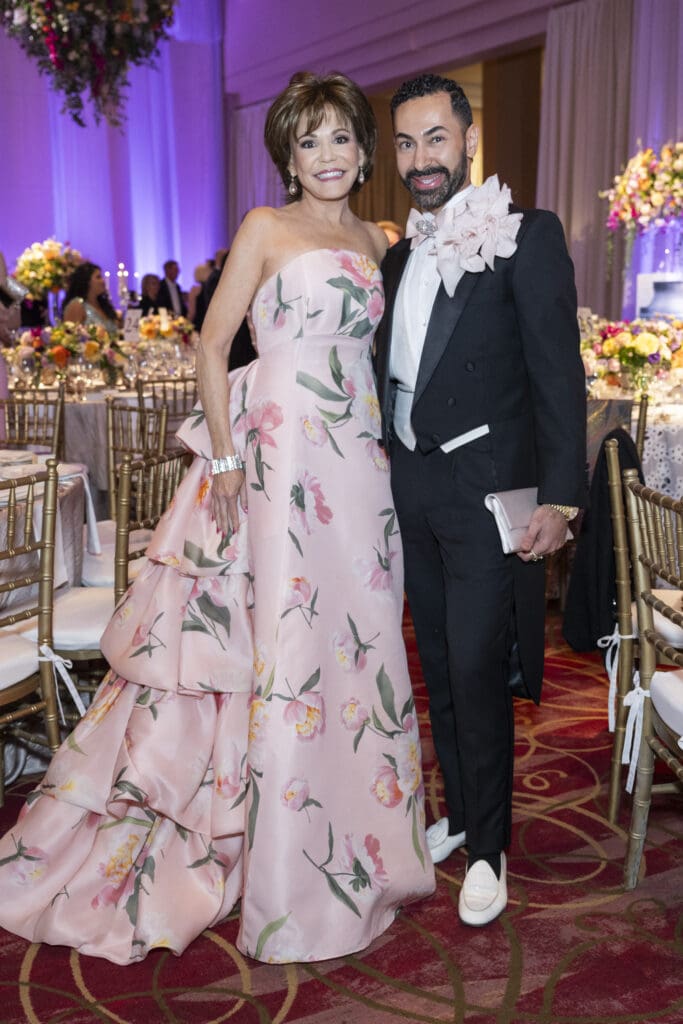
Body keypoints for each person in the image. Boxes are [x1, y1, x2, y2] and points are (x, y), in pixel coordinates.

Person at [0, 70, 435, 965]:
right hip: (279, 458)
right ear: (287, 154)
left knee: (360, 647)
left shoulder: (379, 238)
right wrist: (229, 457)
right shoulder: (265, 229)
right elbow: (209, 340)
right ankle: (284, 872)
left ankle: (365, 849)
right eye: (307, 140)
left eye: (340, 138)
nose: (326, 155)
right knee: (287, 644)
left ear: (364, 149)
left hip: (359, 463)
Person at [374, 73, 587, 927]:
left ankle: (490, 852)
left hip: (485, 494)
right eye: (405, 142)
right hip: (411, 489)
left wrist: (562, 499)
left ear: (466, 141)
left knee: (474, 667)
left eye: (434, 138)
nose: (420, 158)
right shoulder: (395, 255)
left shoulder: (525, 235)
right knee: (439, 674)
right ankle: (460, 816)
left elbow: (556, 375)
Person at [62, 261, 119, 337]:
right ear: (86, 281)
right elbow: (70, 338)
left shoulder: (102, 304)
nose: (103, 281)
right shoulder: (77, 305)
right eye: (98, 277)